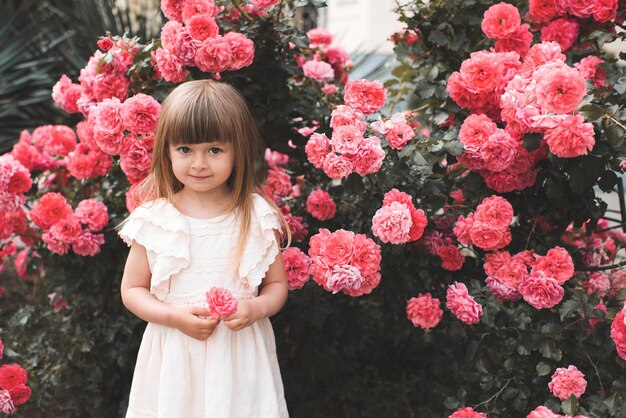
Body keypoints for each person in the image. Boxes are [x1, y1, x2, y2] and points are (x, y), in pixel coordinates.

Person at [118, 79, 290, 418]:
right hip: (176, 356)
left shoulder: (254, 215)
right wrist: (172, 317)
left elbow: (276, 285)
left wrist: (255, 309)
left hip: (239, 358)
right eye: (185, 150)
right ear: (167, 151)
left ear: (237, 150)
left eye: (214, 150)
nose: (198, 163)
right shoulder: (156, 220)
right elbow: (132, 289)